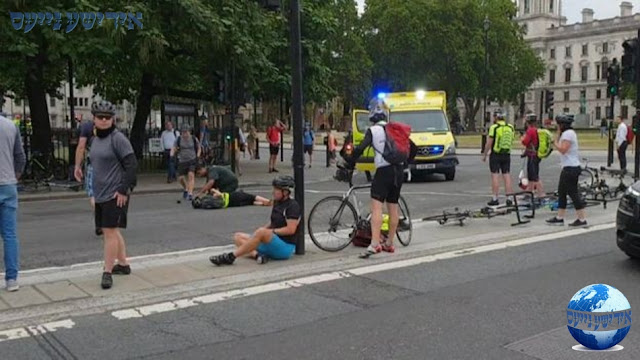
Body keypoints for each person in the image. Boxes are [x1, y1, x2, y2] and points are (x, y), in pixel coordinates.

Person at [347, 97, 405, 257]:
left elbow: (360, 149)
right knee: (393, 206)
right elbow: (410, 147)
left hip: (383, 171)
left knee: (377, 207)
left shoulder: (373, 131)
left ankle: (374, 243)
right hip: (398, 170)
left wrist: (349, 160)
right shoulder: (395, 129)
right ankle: (390, 243)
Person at [89, 100, 138, 289]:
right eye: (100, 117)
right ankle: (123, 264)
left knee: (109, 233)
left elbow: (131, 164)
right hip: (100, 193)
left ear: (113, 119)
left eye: (107, 118)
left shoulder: (117, 138)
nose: (103, 120)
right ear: (93, 118)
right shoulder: (95, 139)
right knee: (112, 231)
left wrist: (123, 189)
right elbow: (95, 166)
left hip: (115, 193)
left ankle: (107, 271)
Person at [209, 176, 301, 265]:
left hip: (284, 247)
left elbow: (290, 229)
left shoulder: (292, 206)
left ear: (285, 192)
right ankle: (258, 256)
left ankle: (231, 257)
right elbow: (273, 222)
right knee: (238, 237)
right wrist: (260, 231)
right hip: (271, 242)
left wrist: (268, 232)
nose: (273, 192)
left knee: (261, 232)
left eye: (276, 190)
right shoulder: (277, 202)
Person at [546, 115, 588, 227]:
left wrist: (554, 143)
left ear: (562, 125)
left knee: (573, 193)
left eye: (558, 125)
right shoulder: (567, 133)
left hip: (571, 168)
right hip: (568, 167)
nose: (557, 127)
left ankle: (582, 218)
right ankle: (560, 217)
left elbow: (563, 149)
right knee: (562, 192)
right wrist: (558, 134)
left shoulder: (568, 134)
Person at [0, 113, 26, 292]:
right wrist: (14, 176)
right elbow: (20, 157)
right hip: (8, 184)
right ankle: (11, 280)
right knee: (9, 235)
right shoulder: (10, 125)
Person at [74, 118, 103, 236]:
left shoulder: (87, 126)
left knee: (93, 194)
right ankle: (102, 219)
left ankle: (100, 218)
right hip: (109, 165)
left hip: (93, 163)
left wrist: (77, 166)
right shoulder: (111, 125)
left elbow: (81, 147)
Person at [482, 111, 514, 206]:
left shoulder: (494, 128)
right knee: (506, 175)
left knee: (495, 176)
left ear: (496, 117)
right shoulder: (510, 127)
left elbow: (489, 143)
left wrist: (484, 154)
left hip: (496, 154)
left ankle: (495, 198)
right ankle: (509, 198)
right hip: (506, 154)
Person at [171, 125, 201, 201]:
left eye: (186, 132)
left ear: (189, 132)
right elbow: (174, 147)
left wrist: (197, 156)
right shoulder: (178, 139)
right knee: (180, 178)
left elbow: (199, 147)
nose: (185, 134)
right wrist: (172, 155)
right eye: (183, 132)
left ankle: (190, 194)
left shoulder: (194, 139)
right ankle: (186, 188)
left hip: (192, 159)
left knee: (191, 175)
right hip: (182, 160)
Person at [520, 115, 544, 197]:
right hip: (536, 154)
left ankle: (541, 194)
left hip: (532, 155)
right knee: (531, 175)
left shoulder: (530, 130)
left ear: (528, 122)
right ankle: (529, 192)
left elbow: (525, 142)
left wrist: (522, 138)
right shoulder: (537, 130)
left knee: (534, 176)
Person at [199, 188, 271, 208]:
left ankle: (262, 204)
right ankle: (267, 201)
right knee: (252, 197)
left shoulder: (208, 204)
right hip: (233, 196)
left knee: (250, 202)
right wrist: (214, 190)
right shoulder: (213, 196)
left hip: (233, 204)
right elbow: (220, 194)